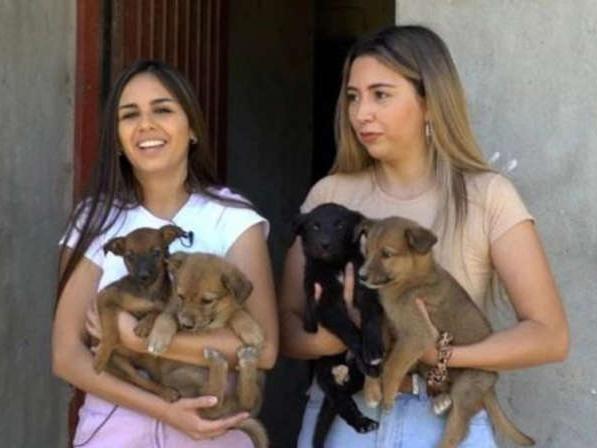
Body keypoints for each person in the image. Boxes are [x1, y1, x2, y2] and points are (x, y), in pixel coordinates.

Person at [279, 25, 569, 447]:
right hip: (347, 411)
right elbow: (285, 330)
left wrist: (440, 356)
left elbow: (549, 336)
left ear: (430, 101)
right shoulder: (331, 197)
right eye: (353, 97)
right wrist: (352, 336)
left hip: (443, 414)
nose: (361, 113)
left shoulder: (487, 195)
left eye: (381, 95)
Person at [52, 60, 278, 447]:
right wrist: (163, 408)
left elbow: (265, 349)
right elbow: (66, 355)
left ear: (192, 128)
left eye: (162, 110)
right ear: (116, 138)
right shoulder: (95, 220)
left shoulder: (232, 218)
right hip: (115, 430)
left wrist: (135, 340)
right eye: (129, 115)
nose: (146, 125)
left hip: (212, 429)